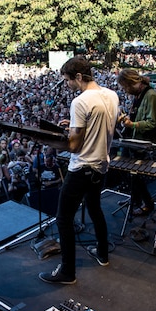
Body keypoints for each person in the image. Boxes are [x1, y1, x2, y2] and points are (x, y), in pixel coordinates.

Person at [39, 56, 118, 284]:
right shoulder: (111, 95)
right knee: (94, 209)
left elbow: (73, 146)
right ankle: (102, 254)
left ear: (79, 77)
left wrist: (49, 140)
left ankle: (67, 272)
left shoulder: (80, 102)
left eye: (68, 80)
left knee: (63, 219)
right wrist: (73, 126)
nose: (67, 85)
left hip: (82, 167)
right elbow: (99, 127)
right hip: (101, 165)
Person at [116, 68, 156, 217]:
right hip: (132, 139)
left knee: (136, 175)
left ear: (133, 82)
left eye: (126, 87)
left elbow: (152, 123)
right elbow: (136, 116)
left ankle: (147, 204)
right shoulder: (139, 95)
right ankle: (135, 199)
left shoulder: (151, 95)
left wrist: (132, 125)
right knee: (127, 172)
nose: (126, 91)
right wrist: (127, 120)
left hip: (142, 142)